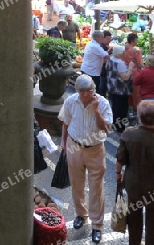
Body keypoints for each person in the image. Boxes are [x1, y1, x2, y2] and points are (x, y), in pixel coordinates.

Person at [59, 74, 112, 244]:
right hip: (75, 146)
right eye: (81, 92)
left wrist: (95, 110)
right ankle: (81, 214)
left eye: (87, 91)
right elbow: (66, 123)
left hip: (95, 149)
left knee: (96, 188)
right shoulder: (71, 101)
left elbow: (106, 128)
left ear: (93, 90)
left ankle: (97, 225)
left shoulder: (103, 103)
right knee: (77, 185)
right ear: (77, 91)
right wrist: (63, 143)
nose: (84, 96)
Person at [116, 100, 154, 245]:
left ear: (140, 117)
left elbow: (121, 159)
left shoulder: (129, 134)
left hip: (134, 185)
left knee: (134, 218)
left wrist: (118, 174)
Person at [106, 45, 134, 133]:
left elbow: (106, 68)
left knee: (115, 107)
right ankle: (120, 127)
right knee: (122, 108)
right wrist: (130, 68)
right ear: (120, 54)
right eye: (124, 52)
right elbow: (125, 77)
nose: (125, 53)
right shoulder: (120, 63)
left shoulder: (111, 58)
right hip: (120, 89)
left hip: (112, 87)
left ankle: (115, 124)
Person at [123, 33, 143, 109]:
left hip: (125, 72)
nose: (137, 42)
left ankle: (129, 107)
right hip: (134, 73)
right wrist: (141, 54)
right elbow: (140, 64)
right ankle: (136, 107)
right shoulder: (135, 51)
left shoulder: (123, 49)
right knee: (136, 92)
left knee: (128, 91)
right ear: (132, 40)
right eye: (136, 40)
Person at [98, 30, 112, 97]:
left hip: (105, 71)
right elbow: (102, 59)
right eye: (107, 38)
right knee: (102, 87)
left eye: (110, 38)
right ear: (103, 38)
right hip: (102, 71)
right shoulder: (101, 47)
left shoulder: (106, 47)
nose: (109, 40)